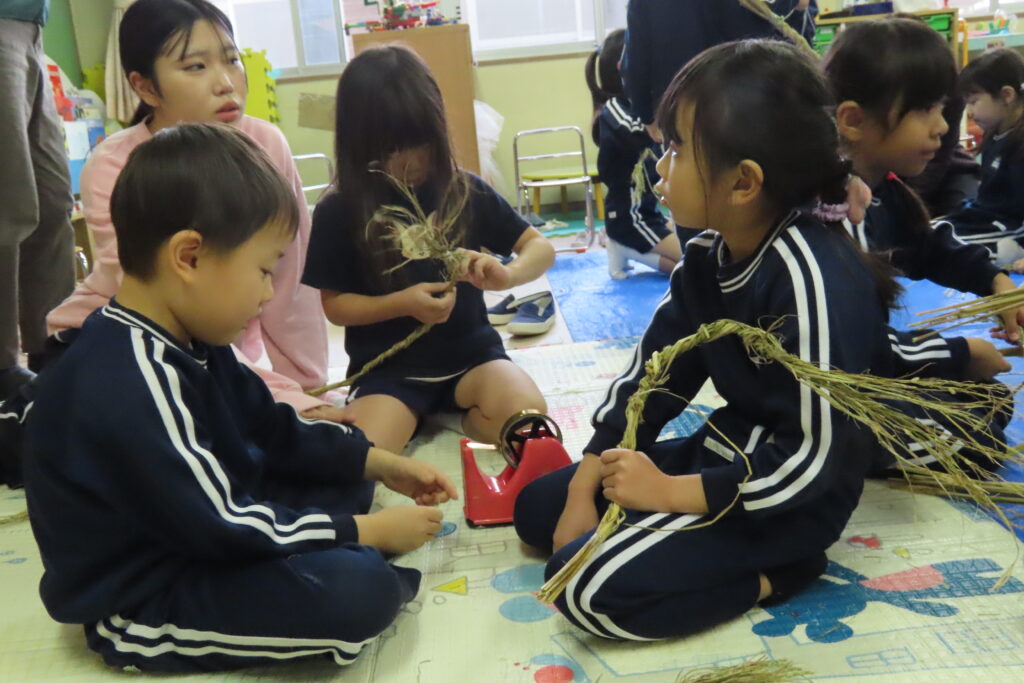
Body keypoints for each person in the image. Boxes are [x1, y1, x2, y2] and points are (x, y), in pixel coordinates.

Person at [512, 40, 1009, 642]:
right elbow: (651, 379)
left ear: (744, 182)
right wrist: (586, 481)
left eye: (676, 150)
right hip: (727, 452)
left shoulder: (811, 278)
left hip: (787, 503)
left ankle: (782, 574)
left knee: (582, 584)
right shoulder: (707, 258)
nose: (660, 167)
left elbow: (816, 461)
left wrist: (669, 492)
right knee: (536, 511)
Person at [23, 122, 457, 673]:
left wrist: (380, 463)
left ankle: (328, 540)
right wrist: (364, 532)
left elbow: (272, 428)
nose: (268, 292)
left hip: (199, 526)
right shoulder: (129, 379)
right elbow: (218, 520)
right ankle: (340, 556)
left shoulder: (192, 337)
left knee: (344, 469)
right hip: (147, 591)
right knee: (359, 592)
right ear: (189, 257)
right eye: (262, 270)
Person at [43, 0, 331, 414]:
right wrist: (281, 398)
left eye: (232, 59)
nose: (226, 83)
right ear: (145, 87)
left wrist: (310, 391)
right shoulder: (114, 165)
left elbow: (291, 283)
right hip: (119, 342)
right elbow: (158, 302)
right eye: (196, 66)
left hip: (215, 356)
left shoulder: (266, 145)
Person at [303, 46, 554, 455]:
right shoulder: (340, 208)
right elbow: (336, 306)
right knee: (365, 453)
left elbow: (539, 247)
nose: (410, 162)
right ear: (358, 144)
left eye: (421, 144)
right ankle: (411, 415)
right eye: (390, 149)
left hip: (472, 359)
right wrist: (402, 304)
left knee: (528, 418)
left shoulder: (463, 189)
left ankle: (451, 417)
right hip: (391, 373)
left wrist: (507, 274)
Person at [824, 17, 1024, 345]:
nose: (942, 127)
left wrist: (995, 281)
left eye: (942, 108)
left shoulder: (883, 193)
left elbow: (928, 248)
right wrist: (958, 357)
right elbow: (855, 348)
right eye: (924, 109)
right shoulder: (834, 215)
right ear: (854, 121)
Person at [0, 0, 75, 398]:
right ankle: (3, 367)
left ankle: (52, 347)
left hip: (32, 27)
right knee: (9, 203)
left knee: (53, 203)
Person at [584, 28, 681, 279]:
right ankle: (625, 245)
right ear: (623, 67)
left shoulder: (639, 107)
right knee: (690, 264)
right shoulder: (614, 109)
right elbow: (639, 132)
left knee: (696, 252)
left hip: (648, 214)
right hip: (629, 219)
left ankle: (629, 249)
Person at [938, 49, 1024, 266]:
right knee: (927, 233)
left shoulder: (1019, 145)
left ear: (1006, 95)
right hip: (984, 216)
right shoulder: (995, 134)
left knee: (940, 249)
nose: (969, 111)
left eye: (974, 101)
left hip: (1009, 229)